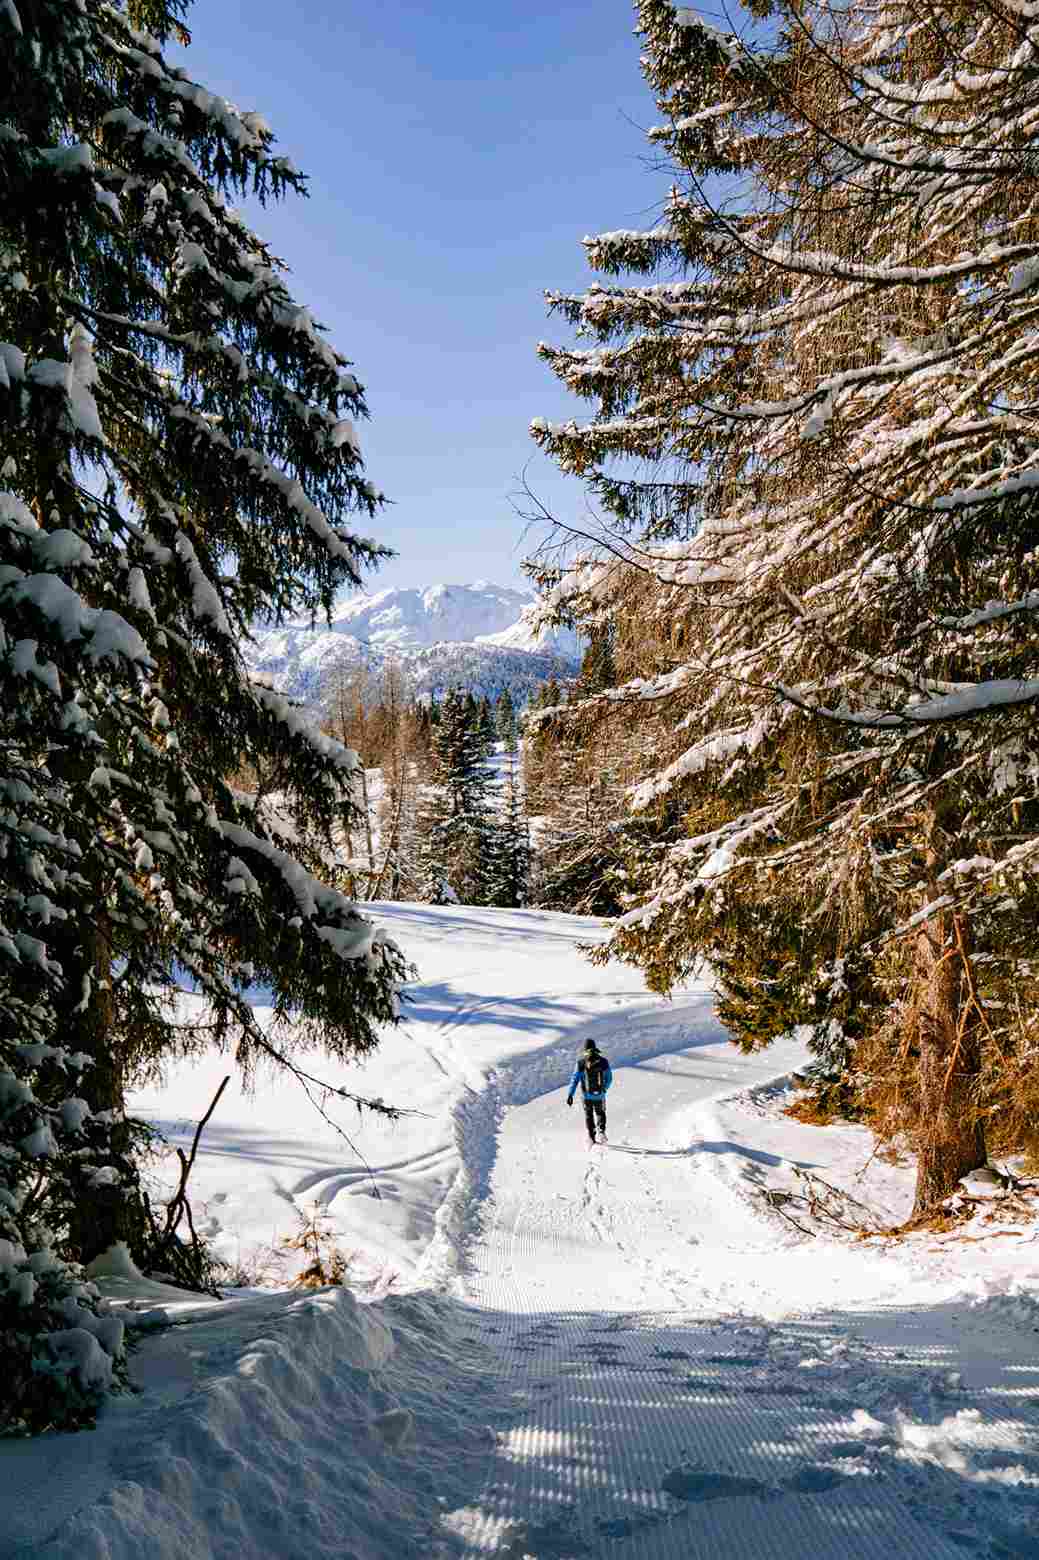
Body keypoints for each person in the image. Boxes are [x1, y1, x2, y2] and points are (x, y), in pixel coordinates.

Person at [566, 1040, 613, 1146]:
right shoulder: (603, 1061)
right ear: (595, 1047)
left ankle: (591, 1137)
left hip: (586, 1096)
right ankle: (601, 1131)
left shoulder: (580, 1063)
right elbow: (609, 1078)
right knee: (600, 1113)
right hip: (600, 1095)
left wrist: (570, 1094)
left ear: (585, 1049)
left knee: (589, 1115)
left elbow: (574, 1080)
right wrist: (604, 1089)